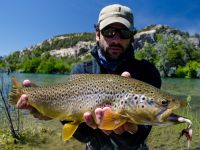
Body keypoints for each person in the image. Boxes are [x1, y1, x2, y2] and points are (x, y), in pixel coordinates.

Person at [17, 4, 161, 150]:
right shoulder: (81, 70)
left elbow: (141, 136)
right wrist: (54, 113)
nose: (116, 39)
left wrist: (125, 131)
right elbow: (84, 136)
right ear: (98, 34)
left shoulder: (148, 72)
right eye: (109, 31)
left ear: (131, 37)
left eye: (124, 33)